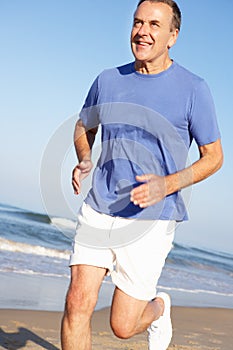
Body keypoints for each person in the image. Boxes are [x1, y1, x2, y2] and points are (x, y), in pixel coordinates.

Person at [61, 0, 223, 349]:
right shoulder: (108, 79)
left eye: (153, 24)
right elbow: (82, 126)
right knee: (77, 304)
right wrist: (85, 158)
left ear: (172, 36)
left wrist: (167, 184)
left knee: (122, 325)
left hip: (151, 219)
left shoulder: (194, 89)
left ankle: (159, 307)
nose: (142, 32)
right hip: (100, 207)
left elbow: (214, 157)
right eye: (137, 22)